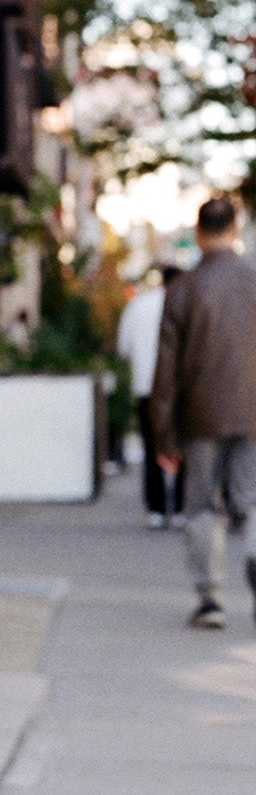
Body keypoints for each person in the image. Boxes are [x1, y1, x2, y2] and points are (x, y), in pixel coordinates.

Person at [150, 195, 256, 629]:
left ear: (198, 234)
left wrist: (163, 434)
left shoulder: (184, 289)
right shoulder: (254, 282)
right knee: (251, 500)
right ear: (235, 230)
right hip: (252, 413)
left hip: (199, 416)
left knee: (202, 504)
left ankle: (210, 599)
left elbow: (166, 370)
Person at [116, 263, 185, 526]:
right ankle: (179, 507)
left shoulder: (139, 305)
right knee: (183, 447)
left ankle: (156, 508)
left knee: (151, 447)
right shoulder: (188, 305)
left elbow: (123, 348)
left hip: (146, 387)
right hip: (181, 389)